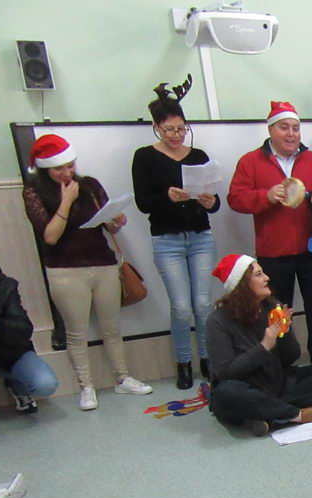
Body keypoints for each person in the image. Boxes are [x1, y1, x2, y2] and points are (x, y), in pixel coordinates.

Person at [21, 134, 153, 411]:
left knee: (112, 327)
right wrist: (67, 200)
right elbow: (50, 236)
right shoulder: (34, 191)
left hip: (103, 262)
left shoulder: (89, 185)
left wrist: (116, 221)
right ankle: (87, 386)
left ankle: (122, 378)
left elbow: (108, 225)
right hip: (65, 270)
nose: (68, 172)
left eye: (71, 165)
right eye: (60, 168)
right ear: (45, 168)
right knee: (77, 332)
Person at [227, 101, 312, 361]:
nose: (291, 134)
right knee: (276, 312)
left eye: (295, 128)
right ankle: (281, 365)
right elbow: (235, 199)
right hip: (274, 252)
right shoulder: (250, 162)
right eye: (284, 128)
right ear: (271, 130)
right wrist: (265, 196)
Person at [131, 80, 220, 389]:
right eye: (170, 129)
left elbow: (213, 198)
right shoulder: (145, 157)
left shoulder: (197, 155)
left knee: (204, 304)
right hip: (167, 239)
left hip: (200, 236)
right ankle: (184, 361)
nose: (177, 135)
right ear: (157, 128)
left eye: (181, 128)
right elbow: (143, 202)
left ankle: (209, 358)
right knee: (181, 305)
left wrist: (210, 201)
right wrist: (167, 196)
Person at [206, 254, 312, 437]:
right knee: (225, 394)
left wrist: (284, 332)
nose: (267, 278)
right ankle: (299, 415)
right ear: (242, 285)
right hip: (244, 388)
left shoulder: (273, 307)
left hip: (276, 383)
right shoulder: (217, 320)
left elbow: (291, 357)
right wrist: (264, 346)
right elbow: (225, 373)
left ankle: (265, 415)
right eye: (259, 274)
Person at [0, 257, 58, 413]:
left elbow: (23, 328)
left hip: (9, 353)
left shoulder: (5, 286)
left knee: (45, 384)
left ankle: (17, 387)